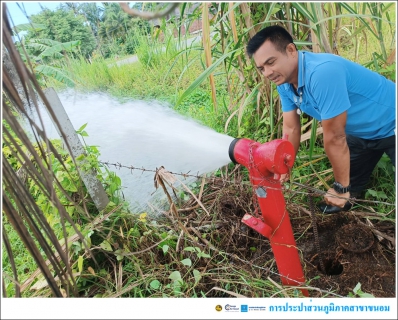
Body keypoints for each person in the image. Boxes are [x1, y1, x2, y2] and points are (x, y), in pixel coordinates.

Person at [246, 25, 396, 214]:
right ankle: (348, 198)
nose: (267, 73)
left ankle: (344, 193)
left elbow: (335, 137)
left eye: (271, 62)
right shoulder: (284, 82)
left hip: (392, 123)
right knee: (352, 180)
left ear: (291, 50)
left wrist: (340, 188)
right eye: (261, 68)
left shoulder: (322, 73)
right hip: (360, 133)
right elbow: (291, 129)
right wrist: (285, 165)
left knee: (343, 184)